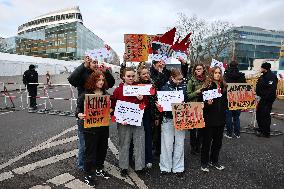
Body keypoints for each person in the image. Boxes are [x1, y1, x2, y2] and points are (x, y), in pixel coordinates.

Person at [68, 56, 115, 171]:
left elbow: (111, 83)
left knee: (98, 144)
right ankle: (82, 166)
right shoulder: (83, 74)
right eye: (93, 62)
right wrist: (83, 66)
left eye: (97, 62)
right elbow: (71, 79)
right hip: (85, 115)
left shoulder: (102, 81)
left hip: (99, 120)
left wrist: (106, 72)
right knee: (85, 144)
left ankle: (93, 165)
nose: (95, 64)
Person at [76, 71, 111, 187]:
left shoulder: (106, 94)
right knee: (90, 152)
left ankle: (99, 168)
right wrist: (79, 114)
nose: (101, 82)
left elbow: (111, 109)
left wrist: (111, 111)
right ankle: (88, 174)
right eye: (98, 80)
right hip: (90, 129)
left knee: (102, 150)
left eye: (102, 80)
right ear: (93, 81)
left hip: (103, 127)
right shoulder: (85, 95)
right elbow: (78, 109)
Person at [111, 67, 146, 177]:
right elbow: (113, 105)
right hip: (123, 122)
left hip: (137, 120)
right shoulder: (118, 90)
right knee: (124, 144)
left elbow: (145, 105)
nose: (131, 78)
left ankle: (139, 167)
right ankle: (123, 167)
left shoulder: (140, 88)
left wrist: (142, 100)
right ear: (123, 77)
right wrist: (116, 117)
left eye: (132, 76)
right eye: (128, 76)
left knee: (139, 143)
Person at [159, 68, 187, 175]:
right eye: (178, 79)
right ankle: (165, 167)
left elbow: (187, 99)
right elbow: (160, 102)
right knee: (167, 143)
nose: (180, 81)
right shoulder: (164, 87)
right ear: (172, 78)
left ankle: (178, 168)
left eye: (181, 79)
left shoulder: (184, 87)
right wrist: (159, 107)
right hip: (168, 118)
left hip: (180, 118)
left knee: (180, 143)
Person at [200, 66, 227, 172]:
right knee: (207, 142)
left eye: (219, 73)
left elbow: (227, 102)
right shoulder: (207, 86)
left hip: (221, 119)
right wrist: (207, 103)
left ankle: (214, 161)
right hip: (209, 119)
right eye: (215, 72)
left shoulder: (224, 86)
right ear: (211, 74)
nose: (217, 74)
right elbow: (200, 102)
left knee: (218, 143)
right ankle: (204, 163)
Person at [149, 59, 170, 156]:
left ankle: (161, 147)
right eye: (159, 63)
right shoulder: (150, 73)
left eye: (163, 62)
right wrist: (160, 73)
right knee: (155, 127)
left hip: (165, 102)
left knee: (163, 126)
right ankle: (155, 147)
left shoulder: (166, 71)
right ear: (154, 64)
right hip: (154, 104)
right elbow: (155, 85)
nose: (161, 64)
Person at [136, 64, 154, 168]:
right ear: (139, 75)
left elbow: (155, 98)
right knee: (138, 136)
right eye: (144, 74)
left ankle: (149, 159)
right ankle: (139, 159)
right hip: (137, 113)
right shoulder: (135, 84)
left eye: (147, 73)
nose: (146, 75)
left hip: (148, 113)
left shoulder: (152, 84)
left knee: (148, 135)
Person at [187, 63, 207, 155]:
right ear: (194, 70)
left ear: (203, 69)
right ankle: (193, 146)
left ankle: (198, 146)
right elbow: (187, 96)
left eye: (200, 68)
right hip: (194, 107)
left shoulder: (207, 80)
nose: (198, 70)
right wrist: (197, 92)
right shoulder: (191, 81)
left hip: (204, 107)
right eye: (197, 69)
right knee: (193, 130)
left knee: (201, 129)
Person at [223, 61, 246, 139]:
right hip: (238, 99)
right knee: (236, 117)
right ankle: (237, 133)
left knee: (228, 117)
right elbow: (245, 88)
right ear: (237, 66)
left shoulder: (226, 75)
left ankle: (229, 134)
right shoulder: (242, 76)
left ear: (229, 66)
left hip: (228, 99)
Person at [255, 62, 278, 138]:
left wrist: (265, 97)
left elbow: (271, 89)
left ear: (265, 68)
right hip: (261, 98)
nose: (260, 69)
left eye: (262, 67)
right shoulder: (263, 76)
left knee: (265, 115)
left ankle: (266, 132)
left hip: (267, 99)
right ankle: (261, 129)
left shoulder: (272, 76)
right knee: (259, 114)